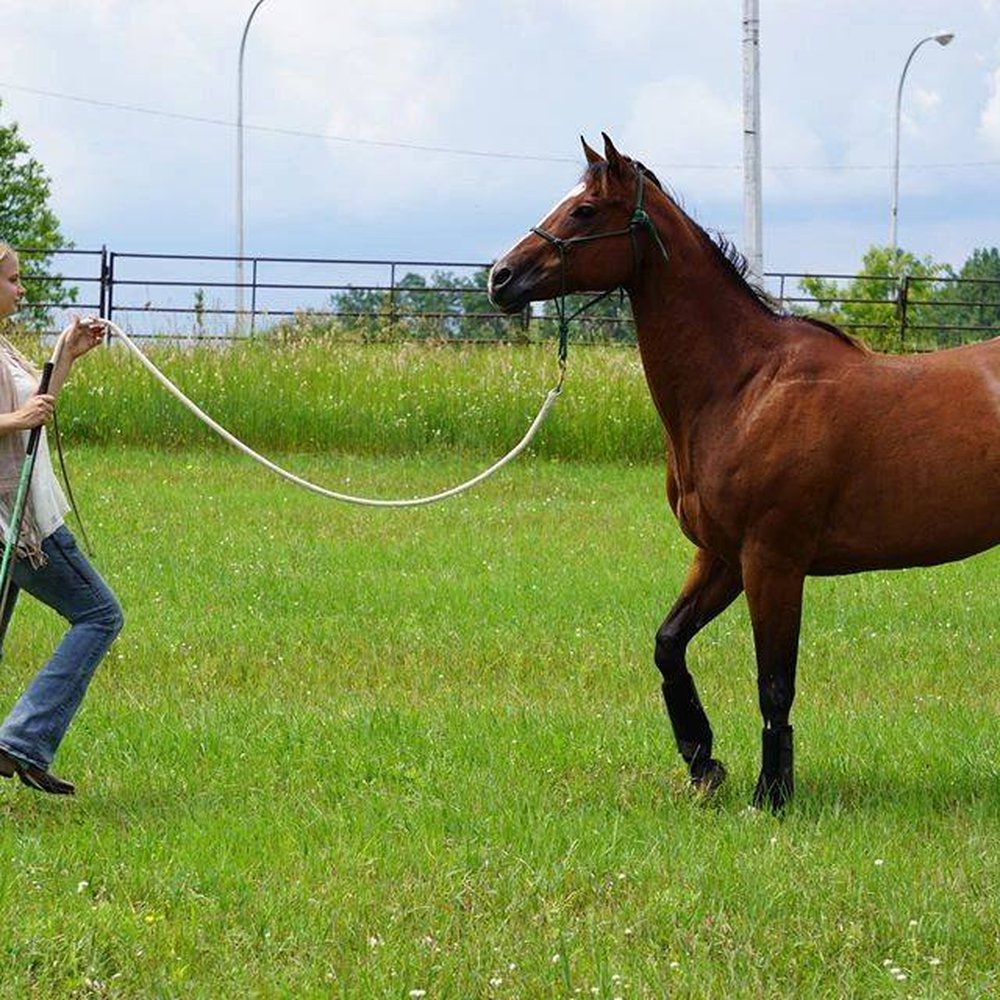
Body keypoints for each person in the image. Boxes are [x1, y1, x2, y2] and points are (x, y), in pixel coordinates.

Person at [0, 241, 123, 795]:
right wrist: (15, 419)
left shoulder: (3, 346)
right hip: (17, 522)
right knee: (99, 614)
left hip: (15, 515)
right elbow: (21, 416)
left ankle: (20, 742)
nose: (21, 289)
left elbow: (35, 407)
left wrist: (67, 353)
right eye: (12, 279)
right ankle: (22, 741)